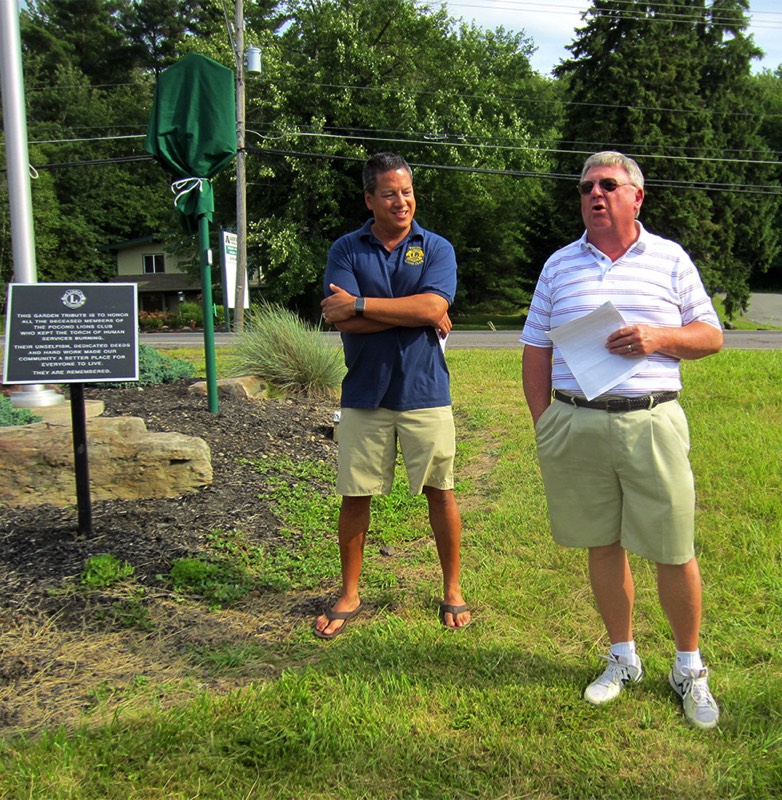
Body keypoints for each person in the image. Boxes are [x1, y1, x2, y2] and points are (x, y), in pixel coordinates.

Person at [521, 151, 723, 730]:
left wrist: (660, 337)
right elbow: (536, 347)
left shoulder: (669, 259)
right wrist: (545, 422)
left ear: (637, 196)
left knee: (672, 547)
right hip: (576, 424)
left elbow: (710, 336)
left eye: (608, 185)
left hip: (652, 422)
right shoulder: (560, 265)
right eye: (586, 186)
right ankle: (623, 657)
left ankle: (688, 668)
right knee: (601, 544)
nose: (594, 194)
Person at [314, 152, 471, 639]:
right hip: (364, 391)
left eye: (406, 191)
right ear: (369, 198)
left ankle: (452, 588)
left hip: (425, 390)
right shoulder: (346, 248)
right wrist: (416, 312)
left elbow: (431, 305)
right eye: (389, 193)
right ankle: (349, 593)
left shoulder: (437, 247)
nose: (401, 201)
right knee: (354, 495)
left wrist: (362, 305)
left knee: (440, 491)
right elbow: (337, 316)